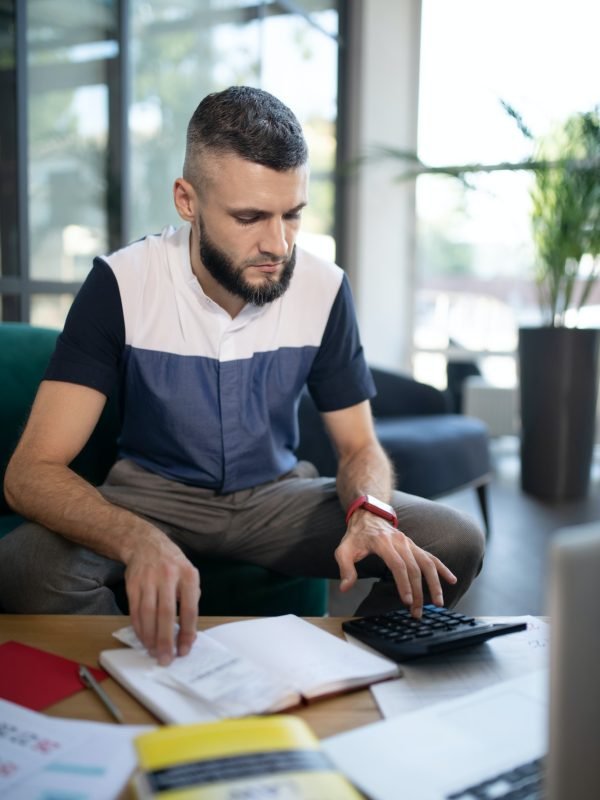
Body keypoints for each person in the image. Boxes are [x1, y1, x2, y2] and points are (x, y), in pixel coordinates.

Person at [0, 86, 484, 665]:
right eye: (250, 217)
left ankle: (354, 669)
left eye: (292, 214)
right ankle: (146, 681)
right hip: (151, 497)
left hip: (276, 499)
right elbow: (30, 473)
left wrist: (371, 513)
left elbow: (360, 446)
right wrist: (137, 538)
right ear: (187, 200)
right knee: (26, 566)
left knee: (454, 539)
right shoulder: (121, 283)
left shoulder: (325, 287)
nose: (278, 244)